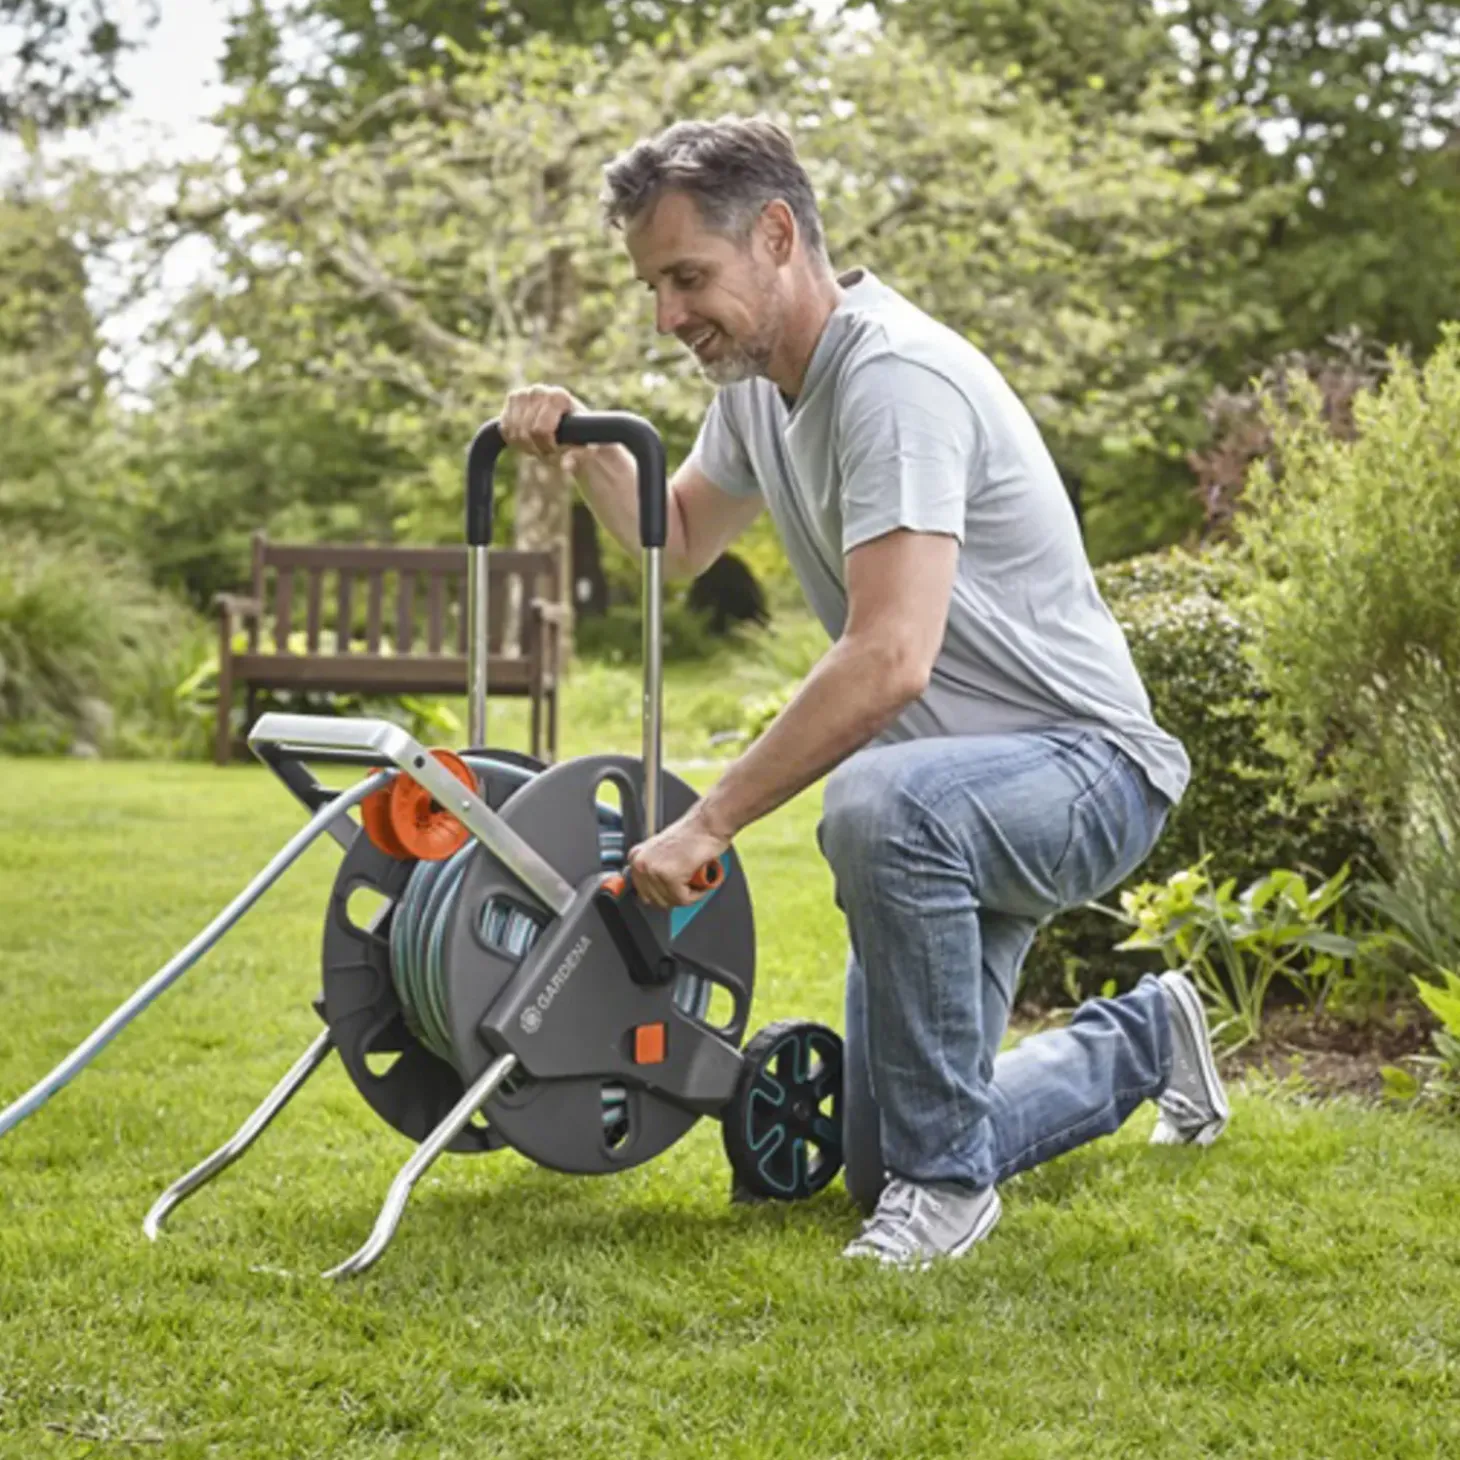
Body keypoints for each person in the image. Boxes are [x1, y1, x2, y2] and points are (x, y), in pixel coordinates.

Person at [497, 116, 1228, 1269]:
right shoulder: (754, 386)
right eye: (652, 284)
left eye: (687, 277)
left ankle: (950, 1194)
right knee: (872, 1158)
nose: (666, 315)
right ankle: (1143, 1038)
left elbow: (890, 658)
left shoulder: (891, 378)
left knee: (879, 805)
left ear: (777, 234)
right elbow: (678, 536)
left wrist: (709, 818)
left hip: (1083, 769)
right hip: (949, 793)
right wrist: (587, 446)